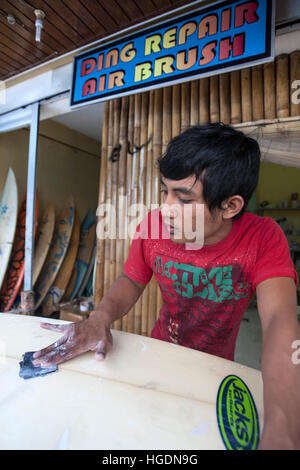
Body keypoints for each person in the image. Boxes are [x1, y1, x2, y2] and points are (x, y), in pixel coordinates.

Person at [33, 123, 300, 449]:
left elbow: (278, 322)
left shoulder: (263, 238)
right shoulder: (153, 228)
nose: (165, 210)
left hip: (216, 365)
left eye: (184, 200)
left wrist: (283, 428)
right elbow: (132, 279)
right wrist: (99, 318)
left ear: (230, 206)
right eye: (165, 191)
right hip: (162, 350)